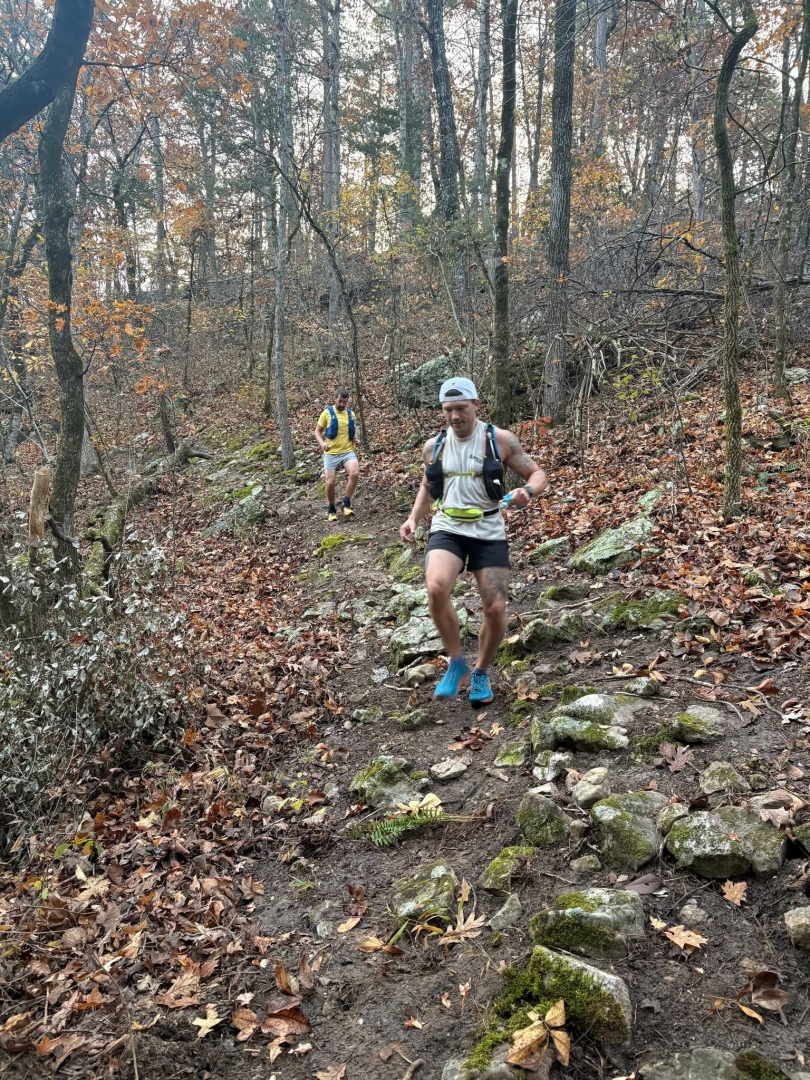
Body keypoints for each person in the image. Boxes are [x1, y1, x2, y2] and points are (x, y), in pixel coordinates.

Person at [399, 377, 547, 705]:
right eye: (448, 409)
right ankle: (456, 662)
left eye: (461, 408)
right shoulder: (434, 446)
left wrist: (527, 490)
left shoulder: (499, 440)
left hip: (488, 529)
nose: (454, 416)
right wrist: (413, 518)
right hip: (447, 527)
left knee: (495, 609)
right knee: (436, 588)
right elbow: (428, 486)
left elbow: (538, 474)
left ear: (476, 405)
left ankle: (480, 672)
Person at [315, 388, 359, 521]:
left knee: (354, 473)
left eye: (344, 402)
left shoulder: (350, 414)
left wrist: (355, 439)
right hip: (331, 453)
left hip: (347, 451)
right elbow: (317, 431)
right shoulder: (326, 413)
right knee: (330, 482)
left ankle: (346, 504)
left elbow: (352, 430)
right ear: (335, 399)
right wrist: (322, 443)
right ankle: (331, 509)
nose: (342, 404)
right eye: (340, 401)